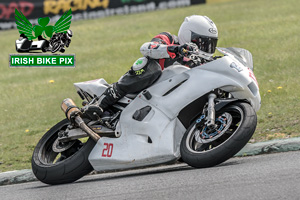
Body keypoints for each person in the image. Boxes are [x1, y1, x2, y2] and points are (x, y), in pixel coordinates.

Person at [86, 15, 218, 117]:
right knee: (149, 66)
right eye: (203, 43)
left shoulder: (200, 62)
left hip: (165, 104)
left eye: (211, 44)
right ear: (189, 36)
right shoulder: (168, 39)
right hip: (143, 89)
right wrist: (175, 49)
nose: (206, 48)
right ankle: (103, 100)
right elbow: (146, 48)